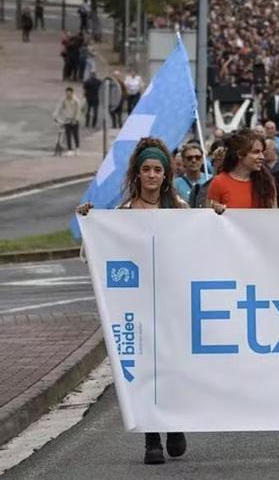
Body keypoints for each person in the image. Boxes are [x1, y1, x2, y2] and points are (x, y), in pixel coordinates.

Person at [76, 137, 192, 464]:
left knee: (172, 368)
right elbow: (95, 254)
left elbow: (201, 244)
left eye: (158, 169)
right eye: (146, 169)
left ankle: (175, 423)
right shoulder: (123, 213)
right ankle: (151, 438)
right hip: (138, 307)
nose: (152, 175)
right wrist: (91, 224)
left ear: (166, 174)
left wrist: (216, 217)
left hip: (172, 304)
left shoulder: (180, 210)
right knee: (144, 372)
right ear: (137, 174)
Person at [208, 129, 277, 211]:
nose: (262, 157)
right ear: (240, 154)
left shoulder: (267, 182)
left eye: (262, 152)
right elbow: (209, 217)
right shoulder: (219, 182)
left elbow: (274, 215)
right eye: (256, 152)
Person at [173, 142, 212, 206]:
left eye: (197, 157)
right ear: (183, 161)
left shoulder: (211, 180)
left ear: (202, 159)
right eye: (189, 158)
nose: (194, 160)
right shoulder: (175, 184)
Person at [52, 86, 83, 156]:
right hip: (67, 120)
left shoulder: (76, 101)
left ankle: (77, 148)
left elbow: (78, 111)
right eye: (67, 93)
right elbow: (59, 107)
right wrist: (55, 115)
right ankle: (70, 150)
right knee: (68, 135)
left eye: (69, 93)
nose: (68, 95)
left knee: (75, 135)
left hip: (74, 120)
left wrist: (76, 119)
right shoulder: (64, 100)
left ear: (72, 93)